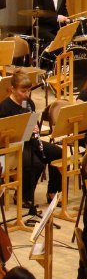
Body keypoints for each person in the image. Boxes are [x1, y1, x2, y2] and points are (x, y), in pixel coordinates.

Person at [0, 70, 62, 208]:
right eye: (23, 91)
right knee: (36, 164)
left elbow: (30, 123)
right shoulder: (4, 108)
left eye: (28, 91)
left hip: (28, 141)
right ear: (12, 89)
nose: (27, 95)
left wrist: (33, 129)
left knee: (57, 153)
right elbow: (3, 135)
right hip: (12, 146)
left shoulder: (28, 103)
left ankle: (52, 192)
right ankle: (22, 196)